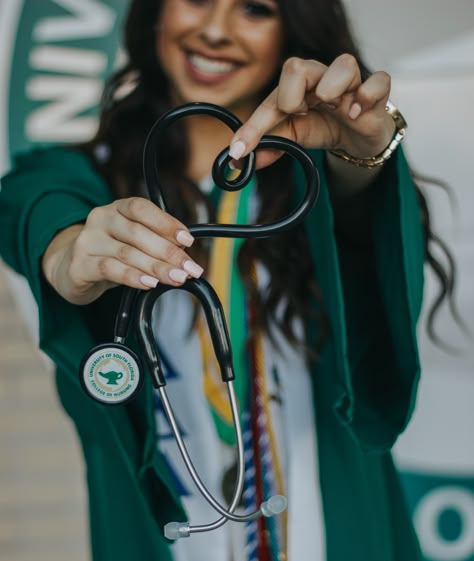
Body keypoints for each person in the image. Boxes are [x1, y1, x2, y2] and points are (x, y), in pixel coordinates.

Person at [0, 1, 454, 560]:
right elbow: (35, 212)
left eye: (254, 9)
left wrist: (360, 156)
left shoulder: (315, 192)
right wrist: (72, 255)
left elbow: (369, 235)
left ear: (294, 29)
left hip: (330, 527)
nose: (214, 30)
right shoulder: (81, 179)